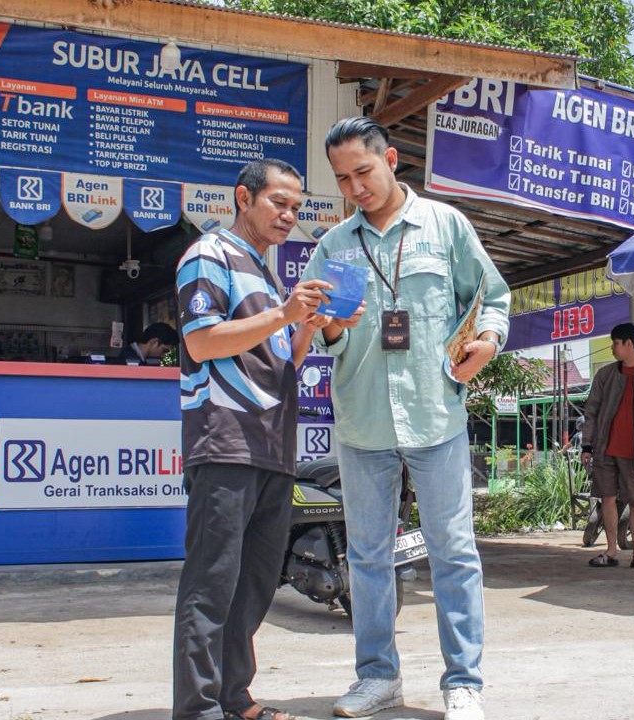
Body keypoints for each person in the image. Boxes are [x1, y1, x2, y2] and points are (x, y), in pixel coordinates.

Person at [300, 117, 509, 720]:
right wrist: (330, 327)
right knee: (367, 556)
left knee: (454, 552)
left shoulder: (446, 226)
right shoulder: (334, 246)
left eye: (363, 172)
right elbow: (326, 337)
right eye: (343, 179)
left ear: (390, 159)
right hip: (363, 420)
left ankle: (463, 682)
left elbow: (492, 297)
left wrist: (488, 342)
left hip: (434, 412)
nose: (355, 188)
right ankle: (377, 678)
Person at [172, 158, 345, 720]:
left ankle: (234, 697)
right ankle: (197, 708)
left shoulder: (266, 275)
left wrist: (304, 327)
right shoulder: (209, 254)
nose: (289, 215)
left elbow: (280, 363)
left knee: (255, 582)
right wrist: (283, 313)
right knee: (212, 582)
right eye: (279, 202)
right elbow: (202, 342)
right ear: (243, 198)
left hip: (272, 446)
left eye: (296, 207)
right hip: (225, 439)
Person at [580, 322, 634, 571]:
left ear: (629, 344)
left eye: (616, 343)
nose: (612, 348)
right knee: (607, 499)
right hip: (605, 449)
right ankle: (611, 551)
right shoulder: (604, 376)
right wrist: (587, 445)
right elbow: (591, 412)